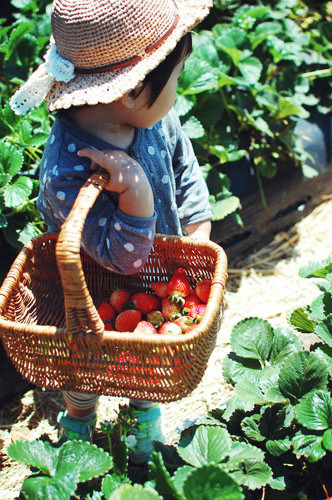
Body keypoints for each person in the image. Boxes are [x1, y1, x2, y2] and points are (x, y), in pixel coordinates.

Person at [10, 0, 213, 464]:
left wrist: (198, 230)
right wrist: (136, 195)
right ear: (132, 91)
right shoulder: (67, 169)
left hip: (156, 286)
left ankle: (142, 433)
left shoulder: (155, 118)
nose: (177, 93)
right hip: (89, 296)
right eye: (176, 81)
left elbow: (185, 169)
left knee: (146, 364)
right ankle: (78, 427)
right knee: (85, 370)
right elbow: (120, 258)